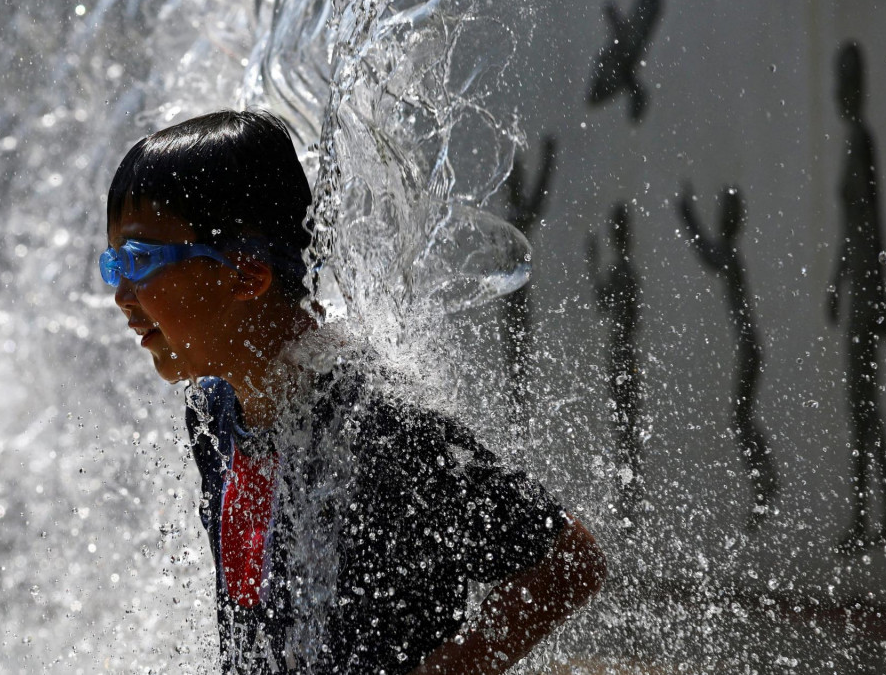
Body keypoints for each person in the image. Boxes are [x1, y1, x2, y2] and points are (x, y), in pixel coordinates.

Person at [102, 110, 606, 674]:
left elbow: (570, 561)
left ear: (247, 274)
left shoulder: (377, 417)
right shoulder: (213, 415)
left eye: (142, 261)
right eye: (113, 263)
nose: (121, 293)